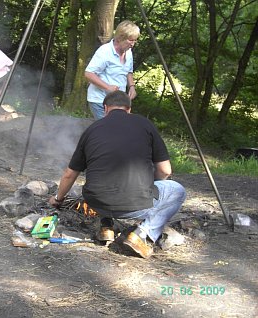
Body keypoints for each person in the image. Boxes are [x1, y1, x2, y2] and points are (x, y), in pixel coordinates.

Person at [49, 91, 186, 259]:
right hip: (136, 205)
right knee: (177, 190)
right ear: (129, 109)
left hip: (96, 202)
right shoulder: (145, 125)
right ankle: (142, 234)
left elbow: (70, 174)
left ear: (105, 108)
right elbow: (165, 170)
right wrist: (151, 187)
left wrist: (58, 199)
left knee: (106, 176)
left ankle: (106, 227)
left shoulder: (92, 129)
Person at [85, 20, 140, 120]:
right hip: (100, 100)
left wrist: (132, 87)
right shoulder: (105, 52)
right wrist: (107, 87)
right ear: (119, 38)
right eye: (130, 40)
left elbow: (128, 71)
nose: (133, 44)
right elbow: (89, 73)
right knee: (109, 130)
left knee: (117, 129)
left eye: (135, 40)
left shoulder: (128, 52)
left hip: (118, 102)